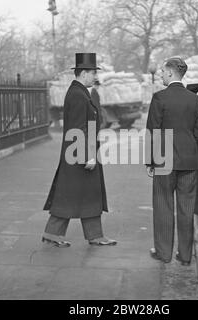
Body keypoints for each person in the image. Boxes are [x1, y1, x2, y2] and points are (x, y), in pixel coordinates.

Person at [42, 53, 117, 248]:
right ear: (83, 73)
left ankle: (93, 235)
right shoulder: (77, 94)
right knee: (71, 194)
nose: (95, 77)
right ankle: (56, 234)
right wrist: (88, 156)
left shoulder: (80, 92)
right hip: (79, 154)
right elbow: (77, 130)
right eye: (93, 73)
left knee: (84, 194)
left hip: (81, 152)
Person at [146, 56, 198, 265]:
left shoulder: (159, 98)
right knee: (186, 208)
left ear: (171, 73)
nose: (161, 74)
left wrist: (150, 162)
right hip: (189, 161)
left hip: (164, 161)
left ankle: (163, 253)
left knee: (163, 205)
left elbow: (152, 131)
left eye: (163, 71)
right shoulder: (195, 99)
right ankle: (186, 255)